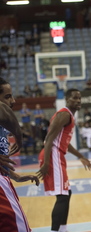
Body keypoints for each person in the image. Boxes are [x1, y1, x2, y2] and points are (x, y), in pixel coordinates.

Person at [36, 88, 91, 232]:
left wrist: (81, 156)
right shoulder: (64, 114)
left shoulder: (69, 116)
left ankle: (63, 229)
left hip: (56, 153)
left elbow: (65, 142)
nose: (78, 100)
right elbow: (49, 138)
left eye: (79, 98)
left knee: (66, 194)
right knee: (62, 196)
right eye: (75, 98)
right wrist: (47, 163)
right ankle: (56, 230)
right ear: (67, 100)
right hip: (52, 154)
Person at [0, 77, 39, 232]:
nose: (13, 101)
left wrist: (15, 176)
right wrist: (19, 137)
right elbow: (3, 110)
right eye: (8, 96)